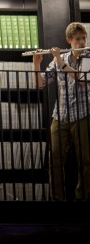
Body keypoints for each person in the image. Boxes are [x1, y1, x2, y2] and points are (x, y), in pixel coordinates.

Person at [34, 22, 90, 201]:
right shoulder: (61, 57)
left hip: (82, 115)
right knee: (55, 160)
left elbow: (82, 80)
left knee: (86, 161)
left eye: (83, 39)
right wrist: (36, 64)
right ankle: (57, 200)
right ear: (69, 40)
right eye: (77, 39)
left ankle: (83, 197)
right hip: (60, 115)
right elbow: (40, 83)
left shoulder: (88, 57)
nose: (81, 43)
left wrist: (59, 61)